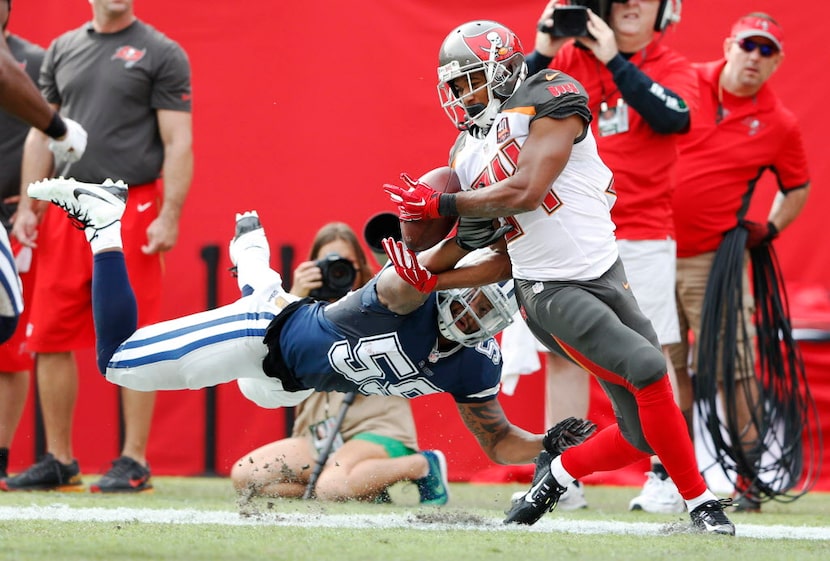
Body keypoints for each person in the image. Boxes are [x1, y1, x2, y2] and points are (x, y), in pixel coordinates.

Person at [21, 176, 596, 496]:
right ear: (448, 281)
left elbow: (498, 443)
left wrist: (547, 442)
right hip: (265, 338)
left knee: (260, 383)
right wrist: (470, 232)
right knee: (118, 362)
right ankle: (103, 222)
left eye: (482, 317)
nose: (469, 318)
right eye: (467, 299)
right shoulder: (406, 291)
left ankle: (253, 263)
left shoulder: (476, 363)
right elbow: (416, 276)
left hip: (289, 384)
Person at [383, 19, 734, 535]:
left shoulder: (550, 95)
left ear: (501, 69)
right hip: (548, 291)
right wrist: (426, 273)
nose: (458, 96)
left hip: (607, 274)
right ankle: (702, 506)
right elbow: (484, 244)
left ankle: (554, 478)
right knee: (649, 367)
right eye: (452, 86)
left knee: (639, 432)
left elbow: (526, 190)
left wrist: (442, 202)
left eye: (466, 80)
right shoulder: (467, 151)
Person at [504, 0, 697, 514]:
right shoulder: (565, 60)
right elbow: (501, 115)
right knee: (564, 357)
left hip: (641, 228)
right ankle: (563, 476)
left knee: (653, 354)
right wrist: (543, 48)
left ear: (665, 10)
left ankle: (665, 475)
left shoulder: (671, 64)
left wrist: (615, 61)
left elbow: (675, 117)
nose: (631, 4)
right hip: (570, 230)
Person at [4, 0, 192, 493]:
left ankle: (133, 459)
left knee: (135, 331)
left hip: (131, 203)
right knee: (49, 331)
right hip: (68, 203)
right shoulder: (62, 49)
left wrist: (169, 213)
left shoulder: (161, 50)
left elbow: (177, 141)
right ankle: (60, 460)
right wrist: (28, 202)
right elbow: (40, 130)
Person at [671, 13, 810, 513]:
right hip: (649, 249)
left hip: (715, 261)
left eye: (766, 50)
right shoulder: (683, 80)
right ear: (729, 45)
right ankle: (671, 477)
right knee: (663, 365)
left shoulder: (779, 123)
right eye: (749, 45)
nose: (755, 56)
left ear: (776, 62)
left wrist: (768, 228)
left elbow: (798, 187)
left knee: (736, 368)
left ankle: (748, 478)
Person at [231, 221, 450, 505]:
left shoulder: (385, 302)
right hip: (318, 437)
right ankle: (361, 485)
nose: (336, 274)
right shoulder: (296, 307)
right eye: (325, 266)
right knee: (246, 477)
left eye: (344, 266)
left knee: (330, 488)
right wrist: (293, 299)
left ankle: (421, 465)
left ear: (359, 267)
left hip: (377, 430)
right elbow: (270, 358)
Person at [0, 0, 86, 479]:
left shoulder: (32, 60)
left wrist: (30, 202)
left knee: (9, 343)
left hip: (8, 218)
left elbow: (53, 137)